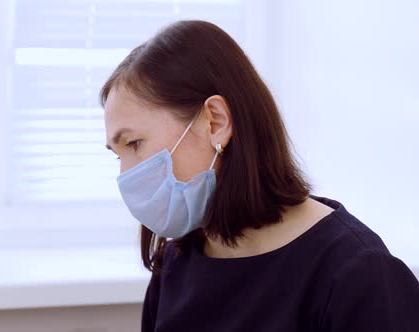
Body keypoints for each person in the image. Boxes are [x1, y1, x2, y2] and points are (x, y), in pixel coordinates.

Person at [100, 20, 419, 331]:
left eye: (134, 144)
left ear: (216, 121)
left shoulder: (357, 275)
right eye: (119, 154)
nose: (127, 175)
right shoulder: (174, 265)